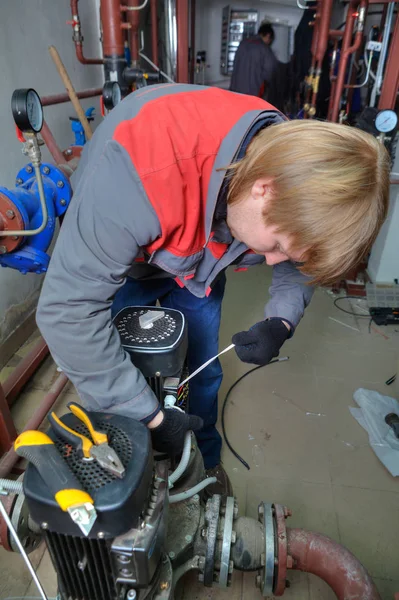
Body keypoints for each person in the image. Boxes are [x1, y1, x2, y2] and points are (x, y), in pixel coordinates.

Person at [36, 84, 389, 497]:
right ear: (263, 188)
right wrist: (148, 416)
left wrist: (281, 319)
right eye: (275, 246)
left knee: (203, 378)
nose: (273, 261)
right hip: (128, 256)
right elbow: (68, 313)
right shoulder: (137, 169)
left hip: (199, 260)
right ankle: (128, 482)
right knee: (117, 383)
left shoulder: (292, 170)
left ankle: (203, 471)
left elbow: (299, 259)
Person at [230, 23, 277, 98]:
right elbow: (269, 72)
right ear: (268, 35)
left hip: (235, 92)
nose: (269, 43)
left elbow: (235, 64)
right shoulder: (265, 48)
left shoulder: (242, 43)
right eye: (270, 40)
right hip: (253, 93)